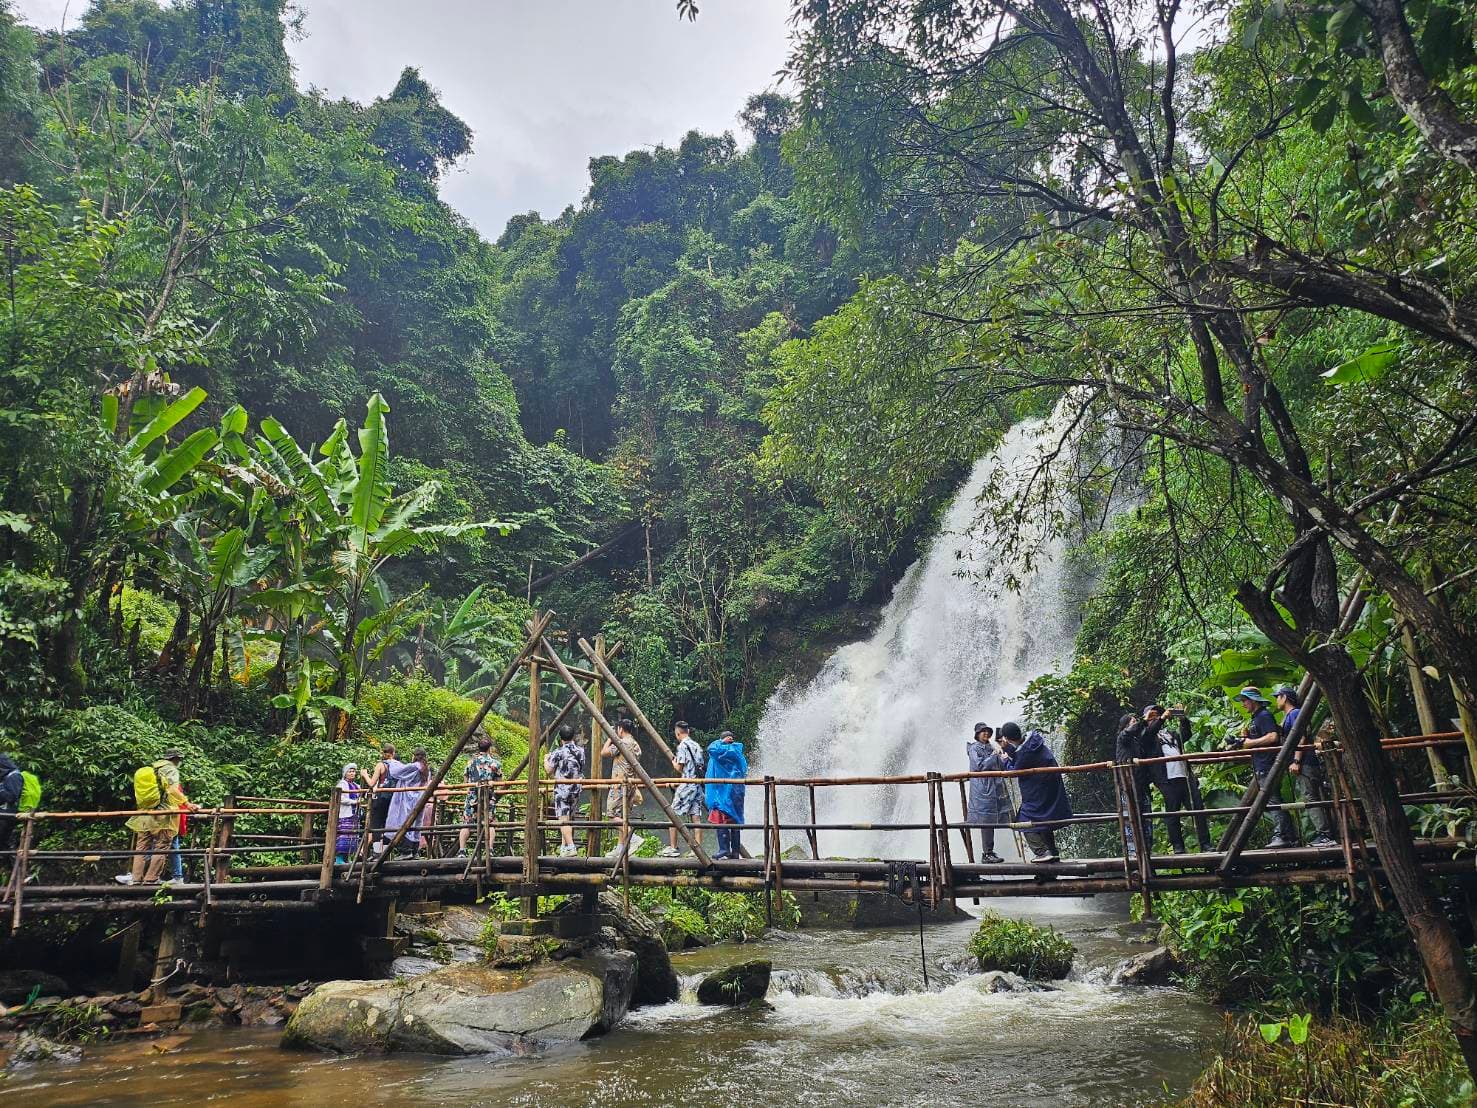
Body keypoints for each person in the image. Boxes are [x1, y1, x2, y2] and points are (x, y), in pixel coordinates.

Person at [116, 749, 196, 885]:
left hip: (145, 814)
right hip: (163, 815)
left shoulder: (152, 768)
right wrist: (187, 803)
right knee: (162, 845)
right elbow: (172, 790)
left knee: (141, 847)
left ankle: (136, 878)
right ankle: (151, 879)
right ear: (176, 759)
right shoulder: (171, 770)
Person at [998, 722, 1072, 863]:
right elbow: (1020, 753)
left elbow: (1014, 771)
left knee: (1023, 821)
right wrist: (1007, 748)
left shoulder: (1025, 752)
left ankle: (1042, 852)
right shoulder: (1032, 741)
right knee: (1043, 819)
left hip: (1038, 790)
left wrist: (1005, 759)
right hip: (1050, 787)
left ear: (1006, 738)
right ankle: (1052, 854)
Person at [1234, 686, 1297, 848]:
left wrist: (1249, 743)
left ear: (1253, 700)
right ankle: (1287, 835)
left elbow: (1273, 736)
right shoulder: (1257, 718)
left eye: (1245, 700)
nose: (1243, 704)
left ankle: (1282, 835)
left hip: (1267, 765)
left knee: (1273, 801)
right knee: (1272, 801)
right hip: (1262, 765)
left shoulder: (1264, 715)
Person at [1141, 704, 1208, 853]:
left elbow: (1186, 735)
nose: (1155, 718)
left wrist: (1183, 719)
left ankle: (1205, 844)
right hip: (1166, 779)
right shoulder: (1147, 736)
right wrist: (1160, 719)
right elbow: (1148, 734)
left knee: (1197, 809)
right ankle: (1178, 846)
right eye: (1151, 716)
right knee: (1172, 813)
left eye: (1157, 715)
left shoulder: (1171, 733)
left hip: (1184, 776)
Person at [1279, 685, 1337, 848]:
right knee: (1313, 797)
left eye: (1278, 696)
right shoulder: (1291, 715)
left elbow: (1301, 737)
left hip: (1305, 762)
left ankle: (1325, 835)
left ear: (1284, 698)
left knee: (1311, 797)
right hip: (1306, 762)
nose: (1276, 700)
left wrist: (1296, 761)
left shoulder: (1295, 713)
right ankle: (1327, 833)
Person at [965, 723, 1011, 863]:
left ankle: (990, 852)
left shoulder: (991, 747)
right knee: (986, 820)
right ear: (977, 734)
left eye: (987, 731)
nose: (985, 734)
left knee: (996, 818)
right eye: (982, 731)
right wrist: (993, 756)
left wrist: (1004, 756)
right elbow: (979, 766)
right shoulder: (974, 748)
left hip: (995, 788)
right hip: (982, 789)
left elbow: (1000, 766)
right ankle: (987, 853)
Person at [602, 719, 645, 860]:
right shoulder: (636, 744)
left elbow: (603, 752)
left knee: (611, 814)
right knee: (622, 816)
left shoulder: (621, 743)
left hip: (619, 784)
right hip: (631, 785)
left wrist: (610, 738)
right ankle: (620, 847)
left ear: (620, 729)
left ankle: (633, 837)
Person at [704, 731, 747, 861]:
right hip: (736, 792)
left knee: (720, 819)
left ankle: (724, 849)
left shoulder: (718, 751)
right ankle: (734, 852)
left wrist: (721, 742)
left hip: (721, 793)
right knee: (734, 820)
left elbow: (711, 748)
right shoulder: (737, 752)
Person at [665, 721, 706, 857]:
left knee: (673, 815)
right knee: (696, 817)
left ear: (678, 733)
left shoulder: (683, 746)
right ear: (688, 731)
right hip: (698, 784)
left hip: (687, 784)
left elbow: (680, 767)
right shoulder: (696, 746)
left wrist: (673, 763)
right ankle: (697, 849)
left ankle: (673, 847)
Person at [545, 724, 586, 857]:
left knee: (563, 820)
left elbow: (549, 770)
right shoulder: (581, 751)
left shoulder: (558, 752)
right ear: (573, 737)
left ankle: (571, 847)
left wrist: (546, 759)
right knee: (568, 819)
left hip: (562, 790)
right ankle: (564, 848)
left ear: (560, 738)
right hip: (576, 789)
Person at [458, 736, 503, 857]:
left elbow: (466, 780)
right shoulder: (495, 764)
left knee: (467, 823)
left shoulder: (470, 762)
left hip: (472, 797)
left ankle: (462, 850)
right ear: (490, 749)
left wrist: (469, 790)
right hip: (488, 797)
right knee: (490, 822)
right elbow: (499, 782)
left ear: (479, 748)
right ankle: (490, 849)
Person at [1113, 714, 1150, 858]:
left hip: (1140, 784)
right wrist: (1143, 722)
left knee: (1144, 818)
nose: (1136, 724)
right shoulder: (1122, 738)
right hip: (1128, 785)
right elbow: (1129, 732)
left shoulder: (1136, 740)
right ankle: (1134, 852)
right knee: (1131, 819)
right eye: (1132, 722)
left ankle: (1146, 849)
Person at [382, 748, 429, 856]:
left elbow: (396, 772)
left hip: (409, 799)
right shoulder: (426, 768)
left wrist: (391, 762)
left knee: (404, 823)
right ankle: (414, 851)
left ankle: (406, 851)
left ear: (415, 756)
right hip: (420, 797)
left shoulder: (414, 766)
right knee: (416, 824)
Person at [367, 744, 396, 856]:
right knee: (387, 824)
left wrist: (365, 774)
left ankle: (377, 851)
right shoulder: (396, 765)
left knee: (376, 823)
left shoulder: (380, 765)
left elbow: (371, 783)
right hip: (392, 798)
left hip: (380, 798)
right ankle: (385, 851)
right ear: (393, 753)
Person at [334, 764, 362, 864]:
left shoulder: (356, 785)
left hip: (354, 815)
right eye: (350, 771)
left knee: (352, 837)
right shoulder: (342, 784)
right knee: (344, 836)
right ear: (345, 773)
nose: (352, 773)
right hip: (345, 814)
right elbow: (340, 798)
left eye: (353, 771)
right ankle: (339, 858)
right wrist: (354, 802)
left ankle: (347, 857)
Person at [0, 754, 22, 856]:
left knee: (5, 843)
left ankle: (14, 865)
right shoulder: (5, 777)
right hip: (4, 815)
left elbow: (11, 797)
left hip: (7, 815)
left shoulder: (14, 776)